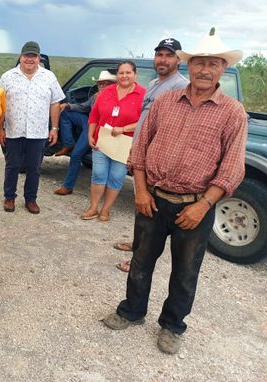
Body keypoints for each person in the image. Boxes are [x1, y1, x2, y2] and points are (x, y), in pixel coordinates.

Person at [101, 28, 246, 355]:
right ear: (189, 66)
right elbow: (140, 148)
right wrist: (140, 190)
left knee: (185, 272)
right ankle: (132, 311)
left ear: (222, 68)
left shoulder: (232, 113)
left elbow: (232, 168)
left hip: (195, 206)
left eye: (213, 64)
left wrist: (204, 205)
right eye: (199, 63)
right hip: (152, 198)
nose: (205, 70)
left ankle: (173, 325)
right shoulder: (165, 102)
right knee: (140, 260)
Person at [113, 38, 189, 272]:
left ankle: (138, 260)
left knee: (150, 210)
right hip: (140, 154)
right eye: (159, 55)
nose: (163, 59)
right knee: (141, 203)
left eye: (168, 55)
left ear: (178, 59)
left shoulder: (180, 86)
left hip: (155, 159)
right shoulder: (155, 83)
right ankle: (137, 244)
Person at [0, 41, 64, 214]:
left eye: (33, 56)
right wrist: (0, 128)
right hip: (14, 129)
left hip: (38, 131)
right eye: (26, 56)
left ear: (39, 58)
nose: (29, 59)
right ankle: (9, 197)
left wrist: (54, 128)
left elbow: (55, 103)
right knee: (12, 166)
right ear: (20, 57)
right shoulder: (7, 77)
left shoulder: (49, 77)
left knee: (34, 167)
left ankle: (31, 199)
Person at [81, 61, 146, 221]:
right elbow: (94, 115)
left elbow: (145, 121)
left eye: (128, 72)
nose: (124, 76)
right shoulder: (106, 92)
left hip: (125, 144)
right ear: (117, 75)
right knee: (98, 174)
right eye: (121, 73)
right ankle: (93, 207)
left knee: (116, 177)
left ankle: (106, 209)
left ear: (135, 74)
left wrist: (123, 129)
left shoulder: (143, 94)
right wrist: (90, 135)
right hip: (102, 140)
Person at [54, 70, 117, 195]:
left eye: (107, 84)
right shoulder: (95, 96)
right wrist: (68, 105)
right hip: (89, 121)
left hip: (98, 129)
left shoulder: (117, 99)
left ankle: (68, 186)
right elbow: (84, 107)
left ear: (114, 85)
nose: (103, 86)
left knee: (76, 155)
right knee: (66, 112)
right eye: (100, 84)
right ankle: (68, 143)